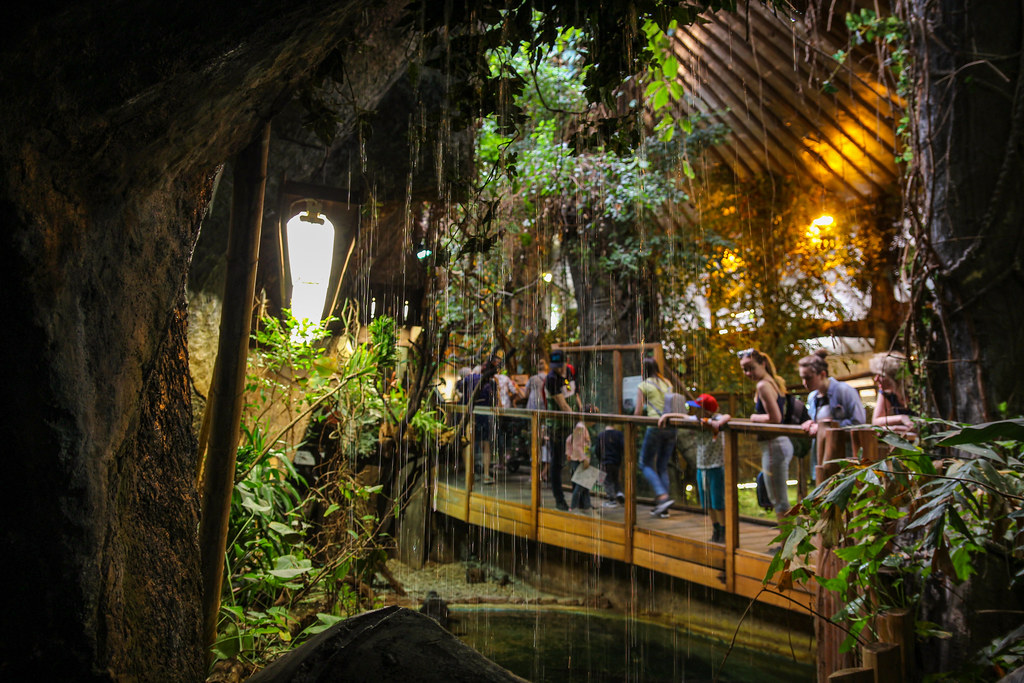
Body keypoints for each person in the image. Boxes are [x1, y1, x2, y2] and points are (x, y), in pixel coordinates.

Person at [659, 393, 731, 543]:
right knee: (708, 502)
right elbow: (682, 416)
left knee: (718, 502)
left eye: (698, 409)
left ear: (707, 411)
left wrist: (717, 423)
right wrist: (666, 416)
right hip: (701, 466)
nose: (694, 411)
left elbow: (727, 416)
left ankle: (724, 532)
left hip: (716, 466)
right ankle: (716, 529)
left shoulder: (715, 419)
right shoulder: (696, 420)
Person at [739, 348, 793, 521]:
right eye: (744, 369)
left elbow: (776, 418)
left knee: (779, 500)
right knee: (778, 498)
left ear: (762, 364)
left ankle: (787, 538)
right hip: (778, 445)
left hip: (774, 445)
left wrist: (754, 418)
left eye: (751, 368)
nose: (748, 373)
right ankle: (788, 536)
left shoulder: (763, 385)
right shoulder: (773, 381)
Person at [634, 357, 675, 518]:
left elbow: (638, 411)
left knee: (644, 463)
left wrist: (634, 426)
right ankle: (663, 507)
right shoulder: (667, 383)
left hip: (655, 426)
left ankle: (662, 496)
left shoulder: (643, 385)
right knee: (662, 466)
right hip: (671, 426)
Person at [797, 349, 866, 438]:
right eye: (802, 378)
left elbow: (859, 422)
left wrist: (826, 426)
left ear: (822, 374)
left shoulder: (844, 391)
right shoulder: (812, 397)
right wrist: (811, 424)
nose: (804, 383)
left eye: (808, 378)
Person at [545, 350, 573, 510]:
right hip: (557, 427)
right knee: (557, 462)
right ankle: (559, 499)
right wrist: (578, 419)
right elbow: (563, 405)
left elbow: (574, 393)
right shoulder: (551, 378)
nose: (557, 368)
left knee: (580, 458)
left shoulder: (569, 371)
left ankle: (581, 498)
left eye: (559, 365)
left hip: (571, 424)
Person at [870, 351, 916, 434]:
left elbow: (922, 428)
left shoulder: (915, 392)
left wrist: (894, 428)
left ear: (894, 378)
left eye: (881, 376)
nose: (876, 379)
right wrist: (901, 418)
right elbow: (876, 422)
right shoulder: (886, 392)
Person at [594, 424, 625, 508]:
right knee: (615, 479)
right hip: (616, 461)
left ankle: (612, 500)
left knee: (607, 481)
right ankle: (619, 493)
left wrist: (600, 459)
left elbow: (597, 449)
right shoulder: (619, 434)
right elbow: (623, 447)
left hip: (605, 461)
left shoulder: (601, 435)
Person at [566, 414, 593, 510]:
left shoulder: (581, 427)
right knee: (580, 484)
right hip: (579, 459)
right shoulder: (580, 427)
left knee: (584, 484)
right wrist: (585, 459)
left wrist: (569, 453)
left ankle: (586, 505)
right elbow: (577, 445)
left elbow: (570, 440)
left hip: (579, 458)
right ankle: (573, 506)